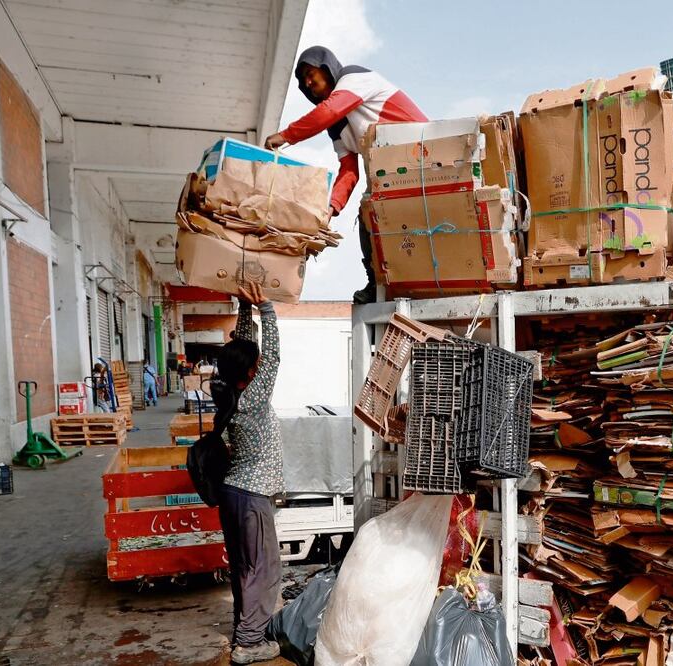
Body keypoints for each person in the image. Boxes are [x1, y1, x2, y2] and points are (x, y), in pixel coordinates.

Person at [264, 46, 428, 305]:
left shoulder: (354, 78)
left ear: (326, 66)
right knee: (366, 213)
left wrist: (286, 136)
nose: (308, 82)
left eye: (310, 73)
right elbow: (349, 170)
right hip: (389, 178)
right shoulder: (337, 127)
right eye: (303, 81)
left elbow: (329, 110)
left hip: (422, 155)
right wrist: (331, 208)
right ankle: (376, 281)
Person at [215, 283, 284, 664]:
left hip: (232, 493)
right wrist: (267, 310)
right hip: (252, 495)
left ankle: (244, 628)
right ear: (252, 372)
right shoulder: (253, 398)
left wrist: (245, 306)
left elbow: (243, 352)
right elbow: (271, 358)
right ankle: (250, 642)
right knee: (265, 569)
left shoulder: (225, 388)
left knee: (244, 566)